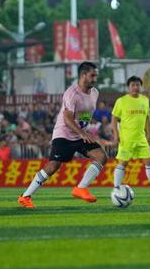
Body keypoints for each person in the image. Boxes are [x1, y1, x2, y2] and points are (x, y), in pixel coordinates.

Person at [18, 62, 108, 209]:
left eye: (96, 75)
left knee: (102, 156)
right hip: (64, 134)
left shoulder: (95, 93)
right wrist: (82, 132)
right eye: (92, 75)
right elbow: (67, 118)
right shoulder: (72, 93)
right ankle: (25, 196)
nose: (95, 78)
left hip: (80, 135)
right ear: (83, 75)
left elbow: (84, 114)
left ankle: (81, 188)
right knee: (53, 165)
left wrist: (86, 129)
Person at [111, 76, 150, 195]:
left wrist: (149, 134)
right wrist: (116, 135)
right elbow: (113, 118)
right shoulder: (121, 101)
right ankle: (116, 188)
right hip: (126, 139)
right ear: (128, 87)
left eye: (138, 85)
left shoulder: (144, 100)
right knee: (123, 163)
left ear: (140, 87)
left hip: (141, 138)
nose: (135, 87)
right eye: (133, 85)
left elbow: (148, 119)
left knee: (149, 162)